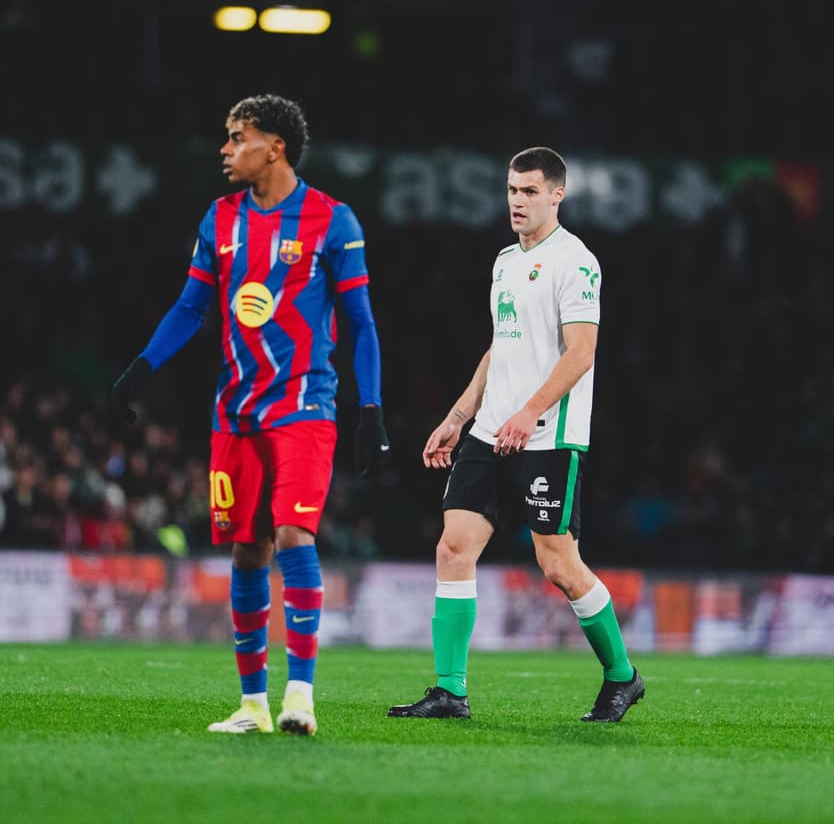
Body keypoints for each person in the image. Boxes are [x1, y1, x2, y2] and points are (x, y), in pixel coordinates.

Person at [112, 94, 390, 735]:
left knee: (294, 536)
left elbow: (361, 324)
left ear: (276, 147)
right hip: (235, 413)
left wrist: (370, 410)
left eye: (238, 137)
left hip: (304, 406)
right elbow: (189, 308)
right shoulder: (222, 218)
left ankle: (301, 698)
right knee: (247, 551)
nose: (225, 149)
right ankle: (252, 706)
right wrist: (141, 368)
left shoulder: (332, 221)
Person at [388, 147, 643, 723]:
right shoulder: (505, 260)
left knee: (557, 565)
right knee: (453, 547)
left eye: (529, 191)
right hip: (488, 431)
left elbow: (581, 353)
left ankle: (623, 677)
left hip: (547, 434)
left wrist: (529, 412)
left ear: (558, 194)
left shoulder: (576, 262)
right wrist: (457, 417)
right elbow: (501, 346)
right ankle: (450, 691)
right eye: (510, 191)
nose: (517, 202)